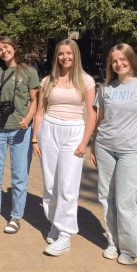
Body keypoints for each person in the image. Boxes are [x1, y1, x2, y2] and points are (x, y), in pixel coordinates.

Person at [91, 43, 137, 265]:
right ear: (110, 64)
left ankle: (131, 249)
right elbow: (99, 121)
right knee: (107, 198)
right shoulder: (104, 88)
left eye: (123, 59)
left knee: (126, 201)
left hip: (132, 151)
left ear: (131, 60)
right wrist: (93, 147)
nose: (119, 64)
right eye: (114, 61)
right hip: (105, 148)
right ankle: (114, 243)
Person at [31, 39, 96, 256]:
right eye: (61, 53)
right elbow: (40, 111)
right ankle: (55, 224)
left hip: (74, 131)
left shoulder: (86, 81)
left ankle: (66, 235)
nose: (65, 57)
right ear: (56, 56)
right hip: (49, 130)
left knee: (67, 184)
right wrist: (35, 139)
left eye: (69, 53)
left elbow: (92, 114)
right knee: (50, 183)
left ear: (75, 55)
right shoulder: (48, 80)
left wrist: (84, 141)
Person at [0, 36, 39, 233]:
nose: (3, 51)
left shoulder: (29, 72)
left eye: (6, 47)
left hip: (19, 130)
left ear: (14, 47)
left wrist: (28, 119)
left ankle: (15, 217)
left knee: (19, 176)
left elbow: (34, 100)